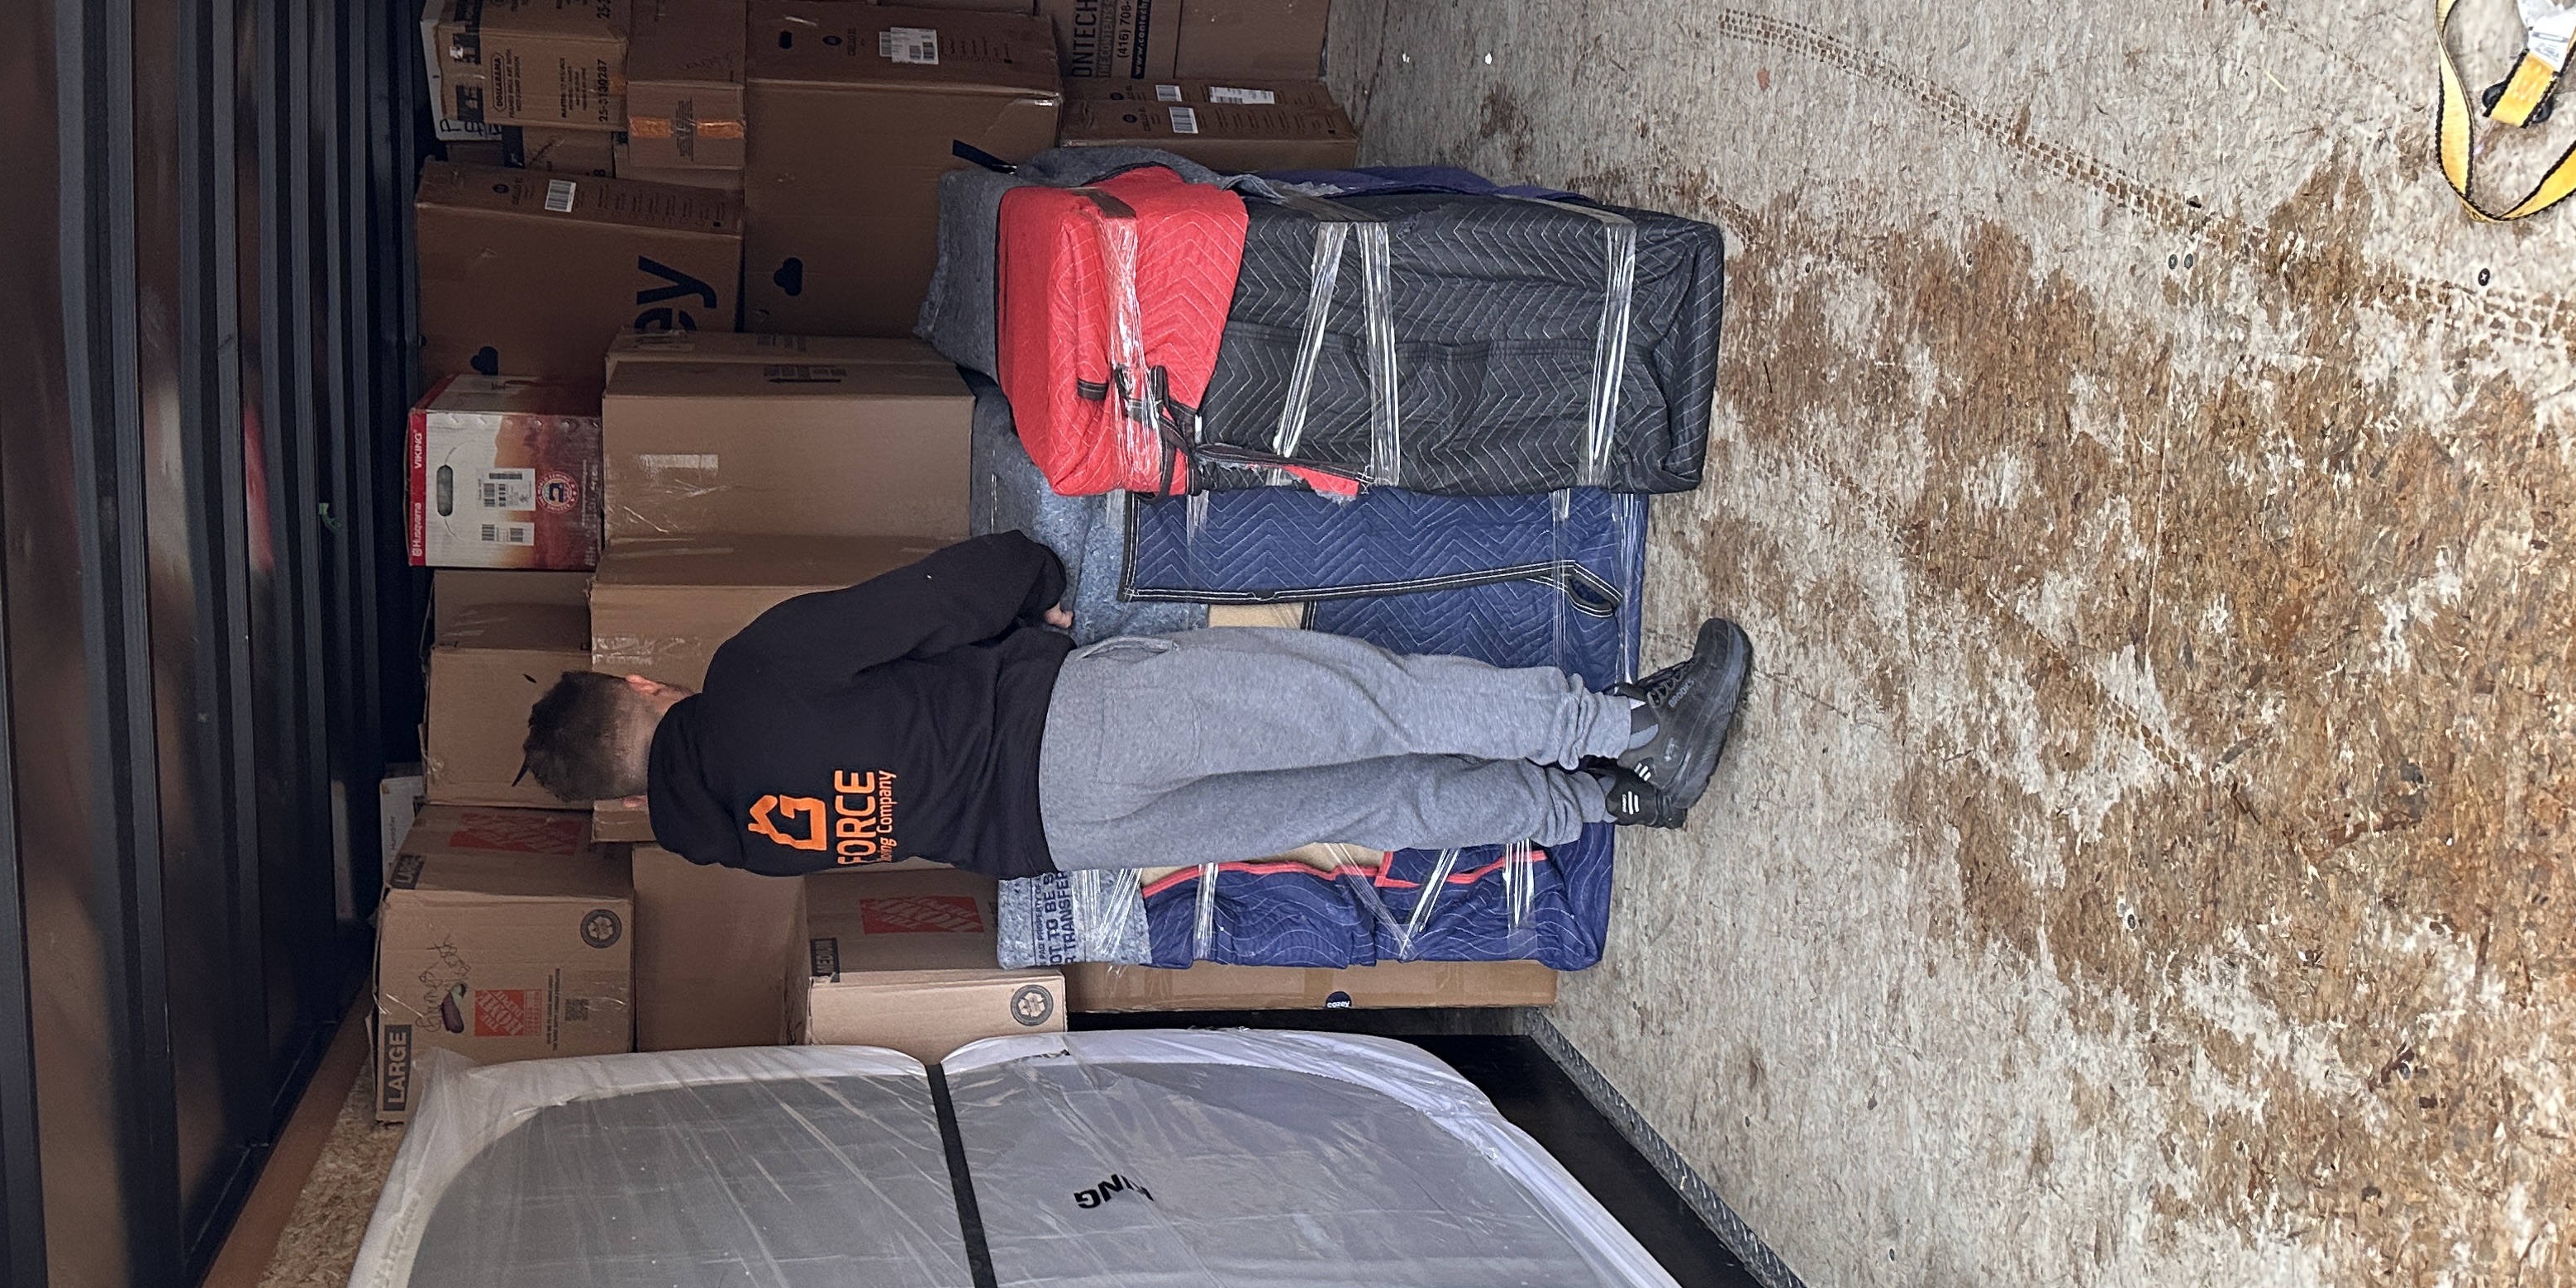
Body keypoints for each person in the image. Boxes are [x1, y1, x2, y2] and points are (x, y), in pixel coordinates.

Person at [520, 532, 1750, 880]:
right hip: (1074, 735)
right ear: (639, 684)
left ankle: (1593, 805)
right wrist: (1034, 580)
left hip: (1064, 846)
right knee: (1359, 702)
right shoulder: (746, 678)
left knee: (1364, 794)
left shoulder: (730, 839)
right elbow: (933, 599)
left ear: (624, 796)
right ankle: (1639, 734)